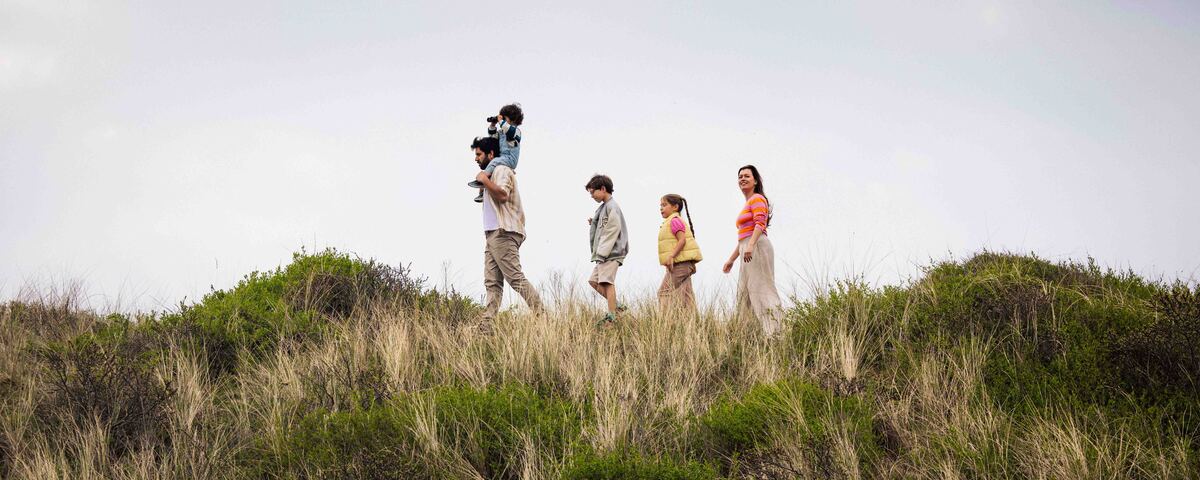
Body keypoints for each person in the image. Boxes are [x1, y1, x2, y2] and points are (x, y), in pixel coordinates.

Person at [472, 136, 542, 331]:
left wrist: (484, 179)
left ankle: (542, 317)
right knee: (492, 282)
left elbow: (503, 194)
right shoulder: (493, 171)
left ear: (491, 154)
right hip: (493, 234)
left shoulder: (501, 170)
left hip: (504, 232)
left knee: (515, 278)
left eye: (478, 154)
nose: (476, 159)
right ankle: (486, 326)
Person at [721, 165, 783, 336]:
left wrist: (751, 245)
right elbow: (743, 237)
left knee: (761, 288)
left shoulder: (757, 199)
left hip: (757, 246)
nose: (742, 179)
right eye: (740, 176)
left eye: (747, 176)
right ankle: (749, 335)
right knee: (745, 293)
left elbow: (760, 223)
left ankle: (775, 333)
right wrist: (732, 259)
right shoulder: (748, 203)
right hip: (747, 248)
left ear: (755, 181)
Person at [586, 174, 628, 327]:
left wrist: (602, 253)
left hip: (611, 252)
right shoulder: (604, 208)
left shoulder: (612, 206)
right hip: (605, 253)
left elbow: (613, 229)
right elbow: (605, 226)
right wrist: (594, 224)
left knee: (607, 282)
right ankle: (618, 307)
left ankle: (612, 317)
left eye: (592, 192)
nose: (591, 196)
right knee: (593, 281)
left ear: (603, 189)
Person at [468, 103, 524, 203]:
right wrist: (493, 124)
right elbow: (492, 137)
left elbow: (509, 131)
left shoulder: (516, 131)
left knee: (495, 162)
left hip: (510, 158)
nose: (501, 122)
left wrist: (500, 121)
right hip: (503, 158)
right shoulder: (502, 132)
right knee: (494, 165)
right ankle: (483, 192)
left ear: (513, 120)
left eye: (504, 119)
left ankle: (483, 179)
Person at [656, 194, 703, 311]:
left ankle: (665, 322)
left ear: (675, 207)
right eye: (660, 205)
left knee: (663, 292)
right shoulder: (672, 221)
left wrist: (671, 256)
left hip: (681, 265)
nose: (661, 208)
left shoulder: (674, 221)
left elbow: (682, 240)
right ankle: (692, 323)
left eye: (664, 205)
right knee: (686, 297)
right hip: (684, 264)